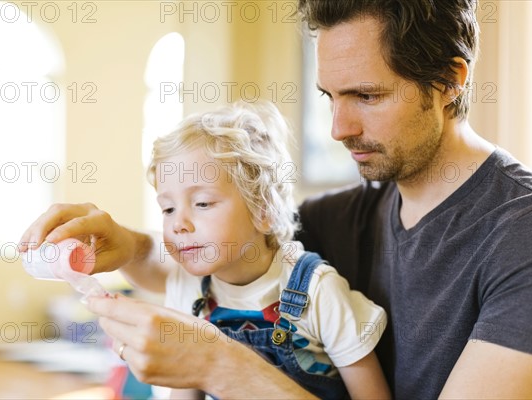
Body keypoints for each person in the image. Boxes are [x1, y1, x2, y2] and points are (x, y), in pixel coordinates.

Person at [18, 0, 532, 398]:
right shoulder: (341, 215)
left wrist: (219, 366)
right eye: (330, 97)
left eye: (366, 96)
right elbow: (228, 257)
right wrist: (129, 246)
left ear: (449, 81)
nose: (339, 128)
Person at [148, 100, 390, 399]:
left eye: (202, 203)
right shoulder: (188, 291)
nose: (178, 224)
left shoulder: (317, 290)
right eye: (168, 209)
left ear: (263, 211)